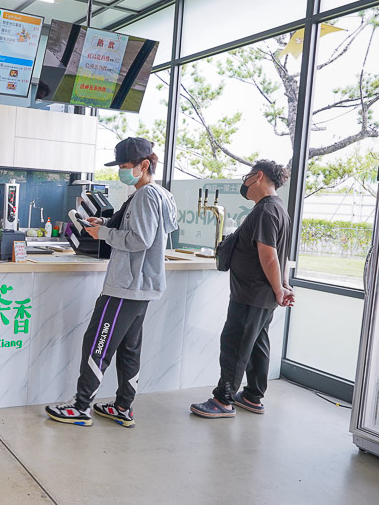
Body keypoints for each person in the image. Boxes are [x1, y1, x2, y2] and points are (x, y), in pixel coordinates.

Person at [45, 137, 178, 428]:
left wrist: (102, 235)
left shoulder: (145, 196)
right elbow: (142, 230)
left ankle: (81, 407)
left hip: (126, 285)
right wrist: (105, 225)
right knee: (129, 348)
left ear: (144, 165)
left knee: (97, 342)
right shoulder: (160, 195)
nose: (121, 170)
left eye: (125, 165)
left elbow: (140, 239)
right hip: (142, 286)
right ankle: (123, 407)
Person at [191, 160, 293, 419]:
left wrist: (279, 289)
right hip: (261, 294)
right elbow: (280, 255)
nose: (244, 182)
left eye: (247, 177)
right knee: (257, 343)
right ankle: (252, 396)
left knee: (235, 344)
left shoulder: (265, 211)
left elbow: (270, 256)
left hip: (251, 293)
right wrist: (281, 286)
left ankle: (223, 400)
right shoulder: (278, 209)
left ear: (258, 176)